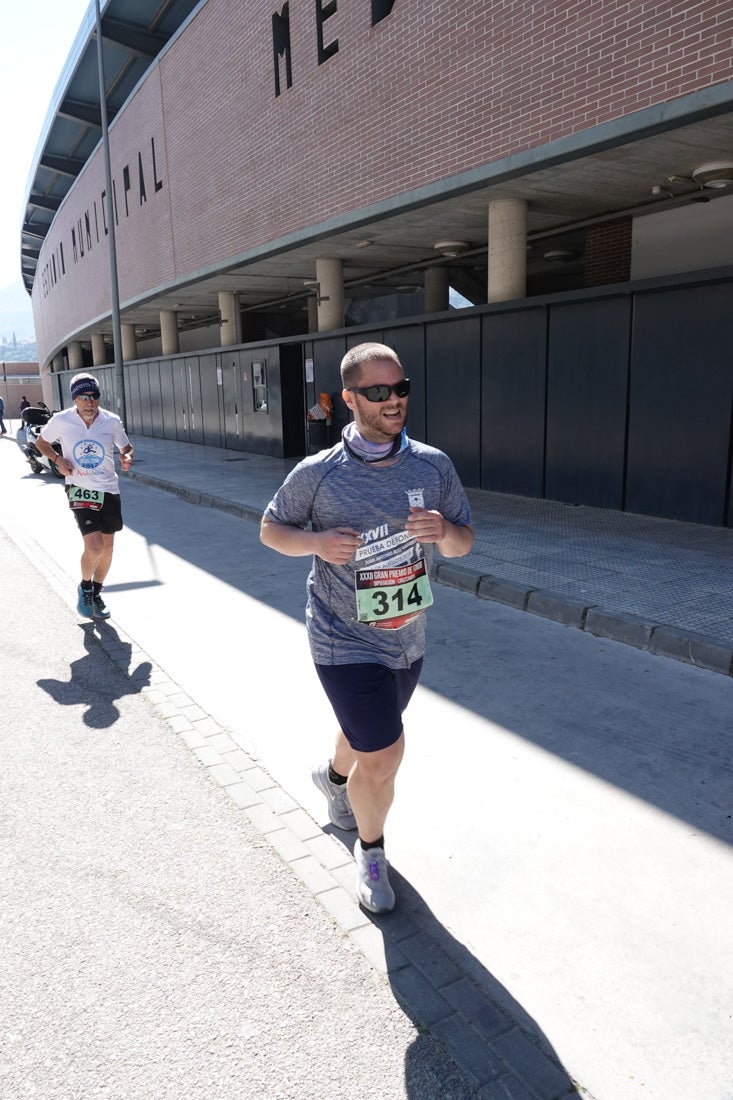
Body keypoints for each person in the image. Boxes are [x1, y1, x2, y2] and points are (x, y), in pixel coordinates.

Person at [260, 342, 473, 913]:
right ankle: (372, 853)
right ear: (349, 398)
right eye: (378, 392)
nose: (393, 401)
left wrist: (443, 532)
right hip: (340, 635)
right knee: (383, 753)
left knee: (365, 735)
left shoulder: (433, 465)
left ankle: (332, 777)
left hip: (407, 635)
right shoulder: (320, 473)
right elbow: (271, 530)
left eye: (400, 388)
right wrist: (316, 544)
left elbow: (464, 541)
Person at [35, 373, 134, 620]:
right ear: (75, 399)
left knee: (108, 549)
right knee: (95, 545)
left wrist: (127, 456)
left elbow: (126, 447)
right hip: (79, 488)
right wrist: (57, 459)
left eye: (94, 396)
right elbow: (41, 442)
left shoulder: (111, 421)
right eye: (83, 397)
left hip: (108, 489)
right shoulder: (61, 420)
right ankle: (85, 587)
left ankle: (97, 593)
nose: (89, 402)